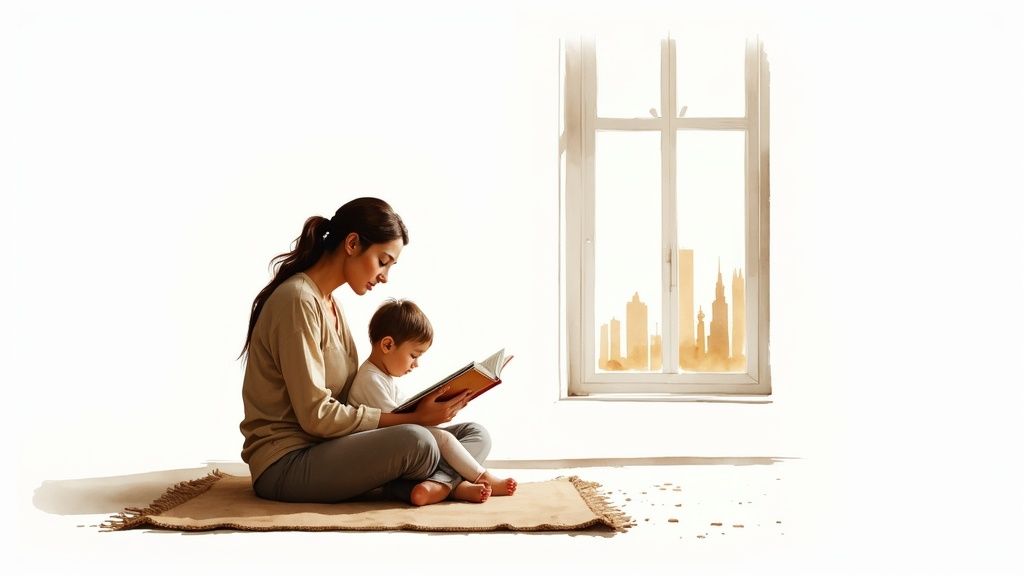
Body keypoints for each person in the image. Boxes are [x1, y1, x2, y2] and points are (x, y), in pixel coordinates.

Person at [239, 197, 490, 506]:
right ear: (352, 243)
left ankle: (433, 484)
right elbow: (316, 417)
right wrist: (414, 418)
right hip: (287, 463)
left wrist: (420, 409)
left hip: (329, 447)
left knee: (474, 433)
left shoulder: (331, 304)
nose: (385, 276)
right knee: (419, 441)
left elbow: (344, 403)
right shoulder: (298, 301)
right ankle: (444, 481)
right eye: (383, 261)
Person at [348, 299, 517, 502]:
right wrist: (427, 416)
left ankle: (442, 486)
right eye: (413, 355)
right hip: (386, 456)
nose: (416, 364)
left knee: (477, 434)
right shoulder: (370, 380)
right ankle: (478, 477)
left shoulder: (384, 377)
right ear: (388, 345)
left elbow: (404, 411)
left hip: (406, 448)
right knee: (443, 439)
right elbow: (401, 426)